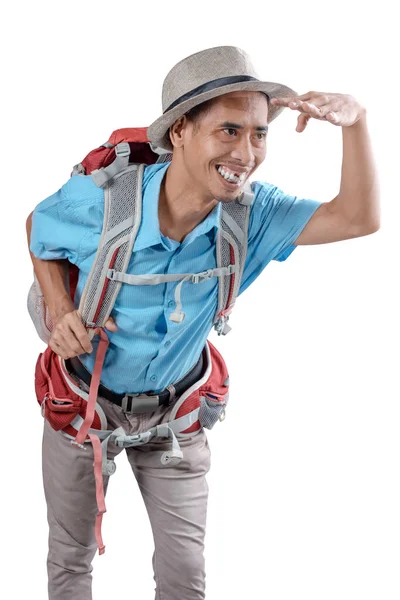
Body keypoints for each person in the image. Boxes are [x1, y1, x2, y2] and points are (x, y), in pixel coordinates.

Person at [26, 45, 380, 600]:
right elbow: (39, 225)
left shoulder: (253, 216)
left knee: (185, 577)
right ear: (181, 132)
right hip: (83, 411)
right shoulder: (107, 204)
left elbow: (359, 217)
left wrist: (357, 121)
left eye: (260, 134)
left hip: (177, 415)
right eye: (229, 130)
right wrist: (59, 308)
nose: (247, 152)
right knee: (69, 561)